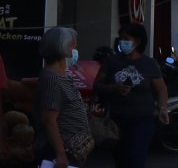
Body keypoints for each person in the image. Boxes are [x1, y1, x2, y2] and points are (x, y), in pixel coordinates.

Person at [95, 23, 168, 168]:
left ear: (138, 41)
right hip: (116, 120)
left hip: (142, 120)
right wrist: (115, 88)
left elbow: (161, 90)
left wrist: (163, 108)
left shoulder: (149, 64)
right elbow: (97, 85)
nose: (122, 42)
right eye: (121, 38)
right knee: (121, 159)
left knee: (135, 158)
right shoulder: (112, 61)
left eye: (126, 38)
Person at [37, 27, 91, 168]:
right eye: (72, 45)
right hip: (60, 156)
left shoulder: (62, 76)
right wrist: (60, 154)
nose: (75, 48)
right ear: (61, 47)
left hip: (73, 153)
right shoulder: (53, 80)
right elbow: (49, 120)